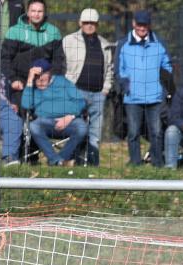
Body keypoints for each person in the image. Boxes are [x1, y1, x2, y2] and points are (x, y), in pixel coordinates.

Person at [117, 10, 171, 167]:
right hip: (132, 97)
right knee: (133, 133)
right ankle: (135, 162)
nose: (142, 28)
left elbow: (167, 67)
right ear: (134, 23)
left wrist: (164, 89)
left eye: (145, 25)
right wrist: (126, 86)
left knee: (156, 132)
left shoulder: (159, 43)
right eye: (139, 24)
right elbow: (119, 69)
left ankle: (157, 162)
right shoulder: (123, 44)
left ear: (149, 25)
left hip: (155, 97)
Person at [61, 8, 112, 166]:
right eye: (86, 23)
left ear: (97, 24)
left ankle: (92, 163)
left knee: (95, 132)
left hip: (98, 94)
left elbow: (110, 68)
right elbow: (61, 65)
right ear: (80, 23)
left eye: (93, 23)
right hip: (76, 91)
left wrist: (106, 89)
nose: (89, 26)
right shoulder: (69, 41)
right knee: (76, 128)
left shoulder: (105, 44)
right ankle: (72, 158)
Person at [21, 59, 88, 167]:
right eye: (37, 77)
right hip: (45, 123)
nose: (40, 80)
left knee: (82, 127)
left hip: (70, 121)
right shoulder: (32, 88)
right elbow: (26, 105)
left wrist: (69, 117)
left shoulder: (63, 82)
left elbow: (81, 102)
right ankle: (57, 161)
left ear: (50, 74)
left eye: (43, 75)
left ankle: (59, 159)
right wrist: (29, 80)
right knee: (33, 126)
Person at [2, 0, 62, 105]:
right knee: (20, 112)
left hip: (45, 83)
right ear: (28, 12)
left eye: (40, 11)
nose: (36, 14)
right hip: (20, 83)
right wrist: (13, 79)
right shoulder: (14, 31)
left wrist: (52, 77)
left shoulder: (54, 32)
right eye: (33, 11)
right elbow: (5, 59)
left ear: (44, 13)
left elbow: (58, 60)